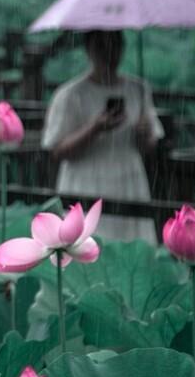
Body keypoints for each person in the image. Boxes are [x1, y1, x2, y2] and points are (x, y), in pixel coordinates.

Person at [40, 30, 164, 243]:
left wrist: (144, 135)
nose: (109, 53)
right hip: (85, 183)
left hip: (128, 182)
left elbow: (150, 146)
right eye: (101, 46)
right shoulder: (70, 95)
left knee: (132, 249)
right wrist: (95, 128)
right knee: (86, 249)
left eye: (115, 45)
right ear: (89, 49)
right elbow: (56, 150)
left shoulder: (139, 90)